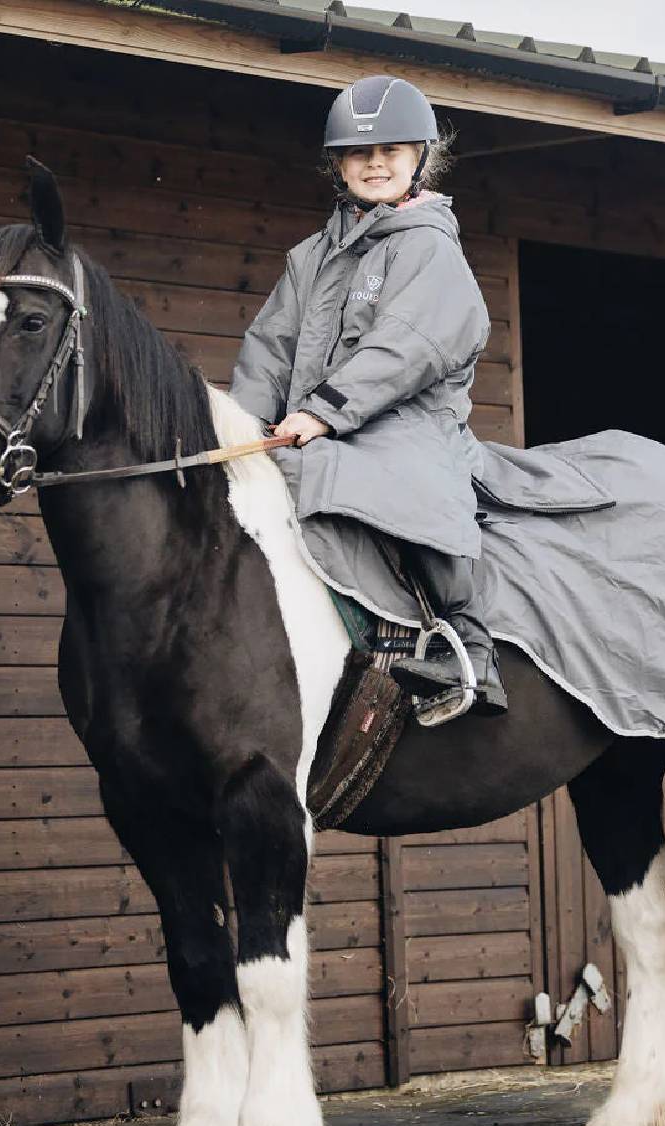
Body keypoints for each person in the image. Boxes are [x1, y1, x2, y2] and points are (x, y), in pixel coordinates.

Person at [229, 74, 507, 714]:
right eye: (359, 152)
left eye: (391, 151)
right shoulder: (310, 258)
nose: (374, 163)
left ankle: (464, 645)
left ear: (421, 159)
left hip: (406, 421)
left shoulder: (430, 246)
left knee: (409, 483)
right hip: (315, 420)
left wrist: (322, 412)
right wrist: (245, 425)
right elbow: (270, 345)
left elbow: (406, 349)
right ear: (338, 165)